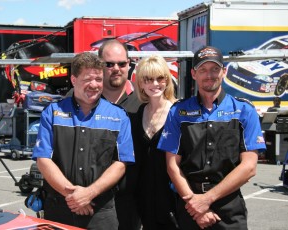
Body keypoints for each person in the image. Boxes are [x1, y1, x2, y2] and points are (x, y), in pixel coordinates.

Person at [158, 46, 266, 229]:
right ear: (193, 74)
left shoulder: (244, 111)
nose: (210, 75)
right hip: (189, 205)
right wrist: (195, 206)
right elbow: (171, 165)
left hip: (229, 207)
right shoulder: (178, 111)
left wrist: (206, 199)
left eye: (215, 69)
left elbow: (249, 167)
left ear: (224, 72)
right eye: (203, 70)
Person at [32, 52, 135, 229]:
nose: (94, 85)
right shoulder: (52, 113)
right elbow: (43, 159)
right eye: (88, 79)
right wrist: (73, 196)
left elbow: (121, 163)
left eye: (98, 79)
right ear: (73, 80)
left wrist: (89, 194)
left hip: (101, 212)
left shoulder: (119, 116)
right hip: (59, 209)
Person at [98, 39, 142, 230]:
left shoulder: (143, 103)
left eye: (121, 63)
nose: (116, 68)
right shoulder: (80, 100)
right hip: (92, 201)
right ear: (99, 65)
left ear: (128, 65)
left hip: (130, 204)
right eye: (109, 64)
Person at [133, 55, 178, 230]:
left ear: (167, 80)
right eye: (148, 79)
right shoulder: (139, 113)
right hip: (144, 197)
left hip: (172, 198)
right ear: (141, 84)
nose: (155, 84)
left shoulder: (177, 112)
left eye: (160, 78)